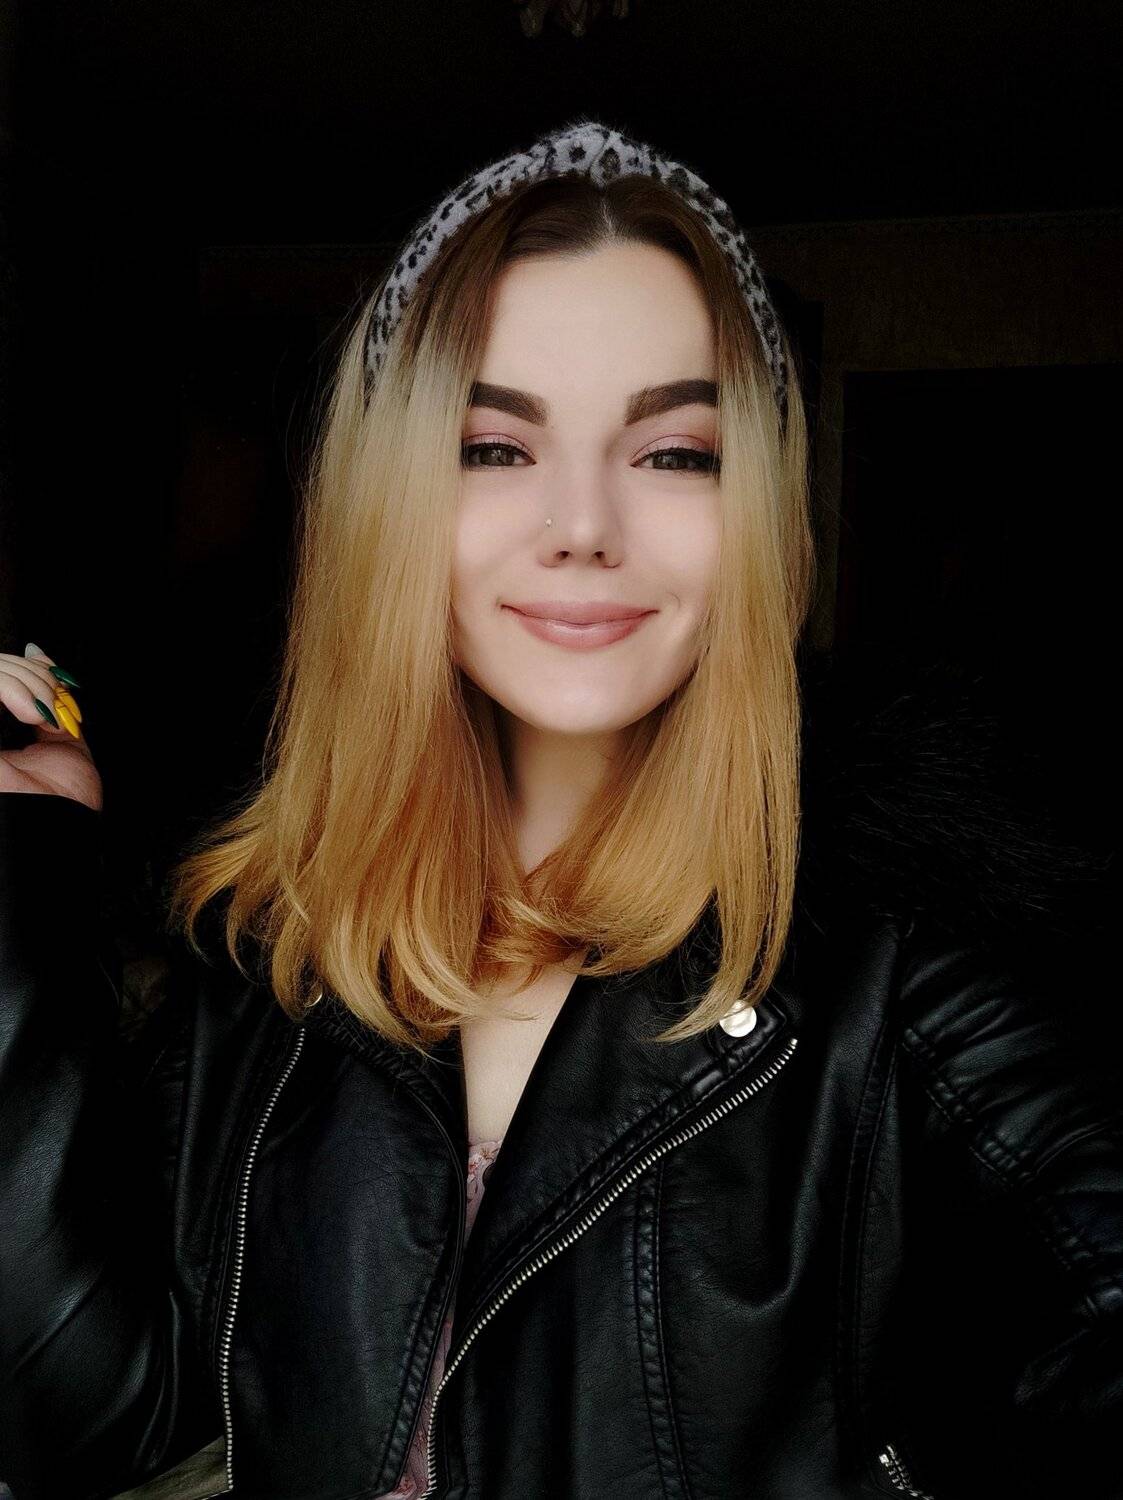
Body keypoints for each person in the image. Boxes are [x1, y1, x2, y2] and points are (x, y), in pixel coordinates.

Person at [0, 117, 1119, 1500]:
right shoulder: (274, 959)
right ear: (387, 506)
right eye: (493, 446)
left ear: (759, 512)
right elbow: (93, 1417)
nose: (584, 523)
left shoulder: (905, 990)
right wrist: (22, 873)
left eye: (675, 454)